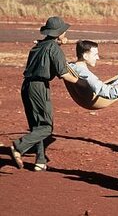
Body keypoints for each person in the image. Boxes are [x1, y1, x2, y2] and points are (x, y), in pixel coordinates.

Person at [10, 16, 81, 171]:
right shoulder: (54, 49)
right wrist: (79, 82)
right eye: (64, 31)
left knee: (37, 126)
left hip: (26, 85)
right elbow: (64, 74)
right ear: (59, 33)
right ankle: (18, 146)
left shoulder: (38, 46)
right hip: (39, 87)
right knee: (46, 128)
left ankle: (40, 161)